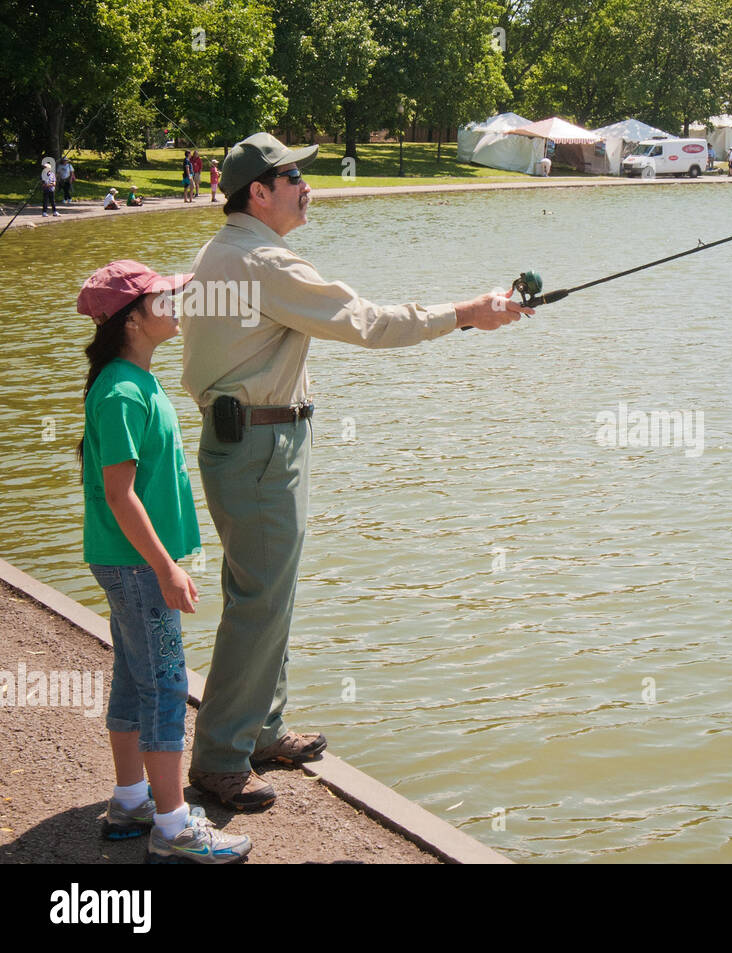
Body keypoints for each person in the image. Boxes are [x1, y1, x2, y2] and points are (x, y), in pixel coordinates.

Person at [178, 132, 534, 810]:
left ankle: (260, 729)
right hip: (259, 448)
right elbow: (369, 323)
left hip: (251, 442)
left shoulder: (223, 251)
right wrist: (469, 313)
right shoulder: (261, 262)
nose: (307, 186)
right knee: (260, 601)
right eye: (293, 177)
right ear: (258, 191)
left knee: (266, 594)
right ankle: (221, 757)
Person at [77, 259, 252, 863]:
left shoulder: (134, 379)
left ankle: (132, 801)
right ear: (130, 319)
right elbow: (120, 494)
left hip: (129, 565)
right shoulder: (123, 391)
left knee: (135, 675)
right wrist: (165, 568)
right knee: (169, 682)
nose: (174, 303)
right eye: (161, 298)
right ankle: (174, 825)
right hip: (138, 567)